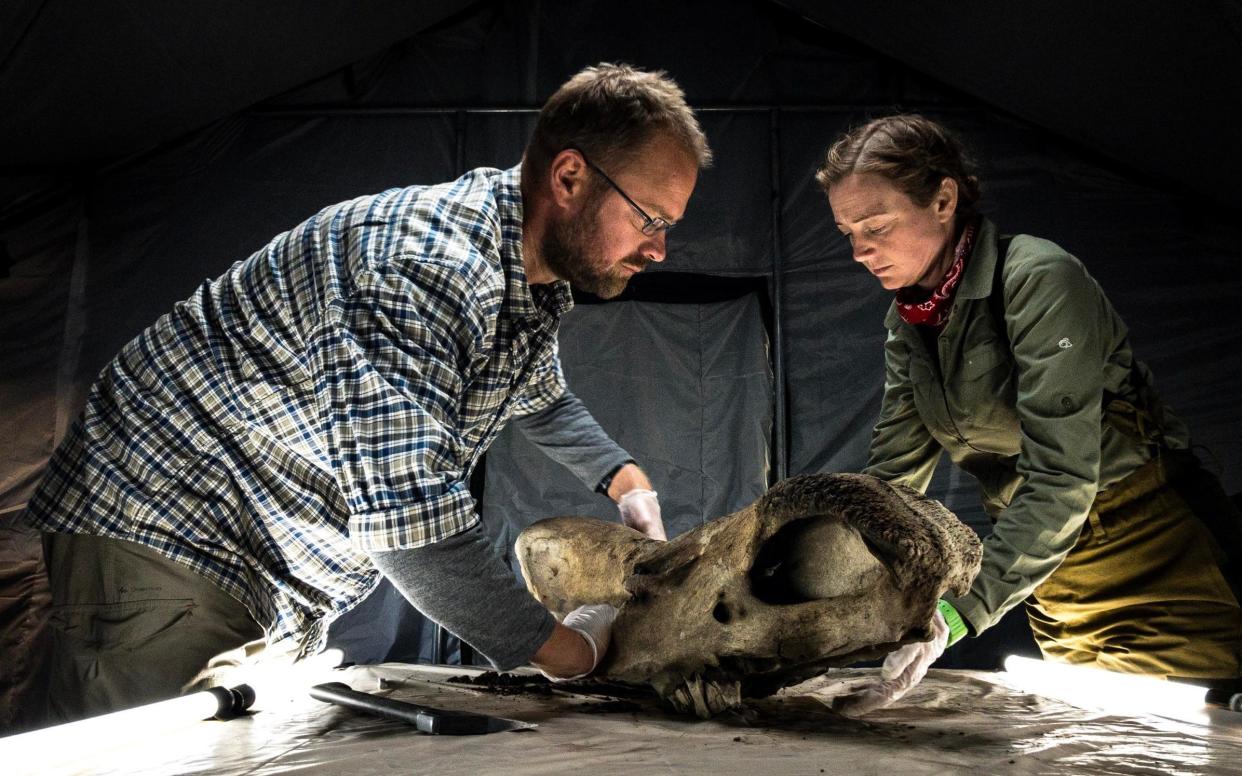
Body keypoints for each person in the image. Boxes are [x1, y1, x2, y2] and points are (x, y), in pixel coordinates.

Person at [23, 62, 712, 724]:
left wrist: (627, 485)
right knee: (142, 747)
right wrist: (574, 649)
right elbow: (413, 533)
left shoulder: (529, 284)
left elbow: (540, 395)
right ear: (569, 177)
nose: (658, 250)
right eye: (650, 218)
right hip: (167, 520)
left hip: (263, 553)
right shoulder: (424, 270)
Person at [814, 114, 1242, 714]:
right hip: (1051, 587)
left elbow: (1063, 478)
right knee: (1093, 740)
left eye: (876, 226)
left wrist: (956, 615)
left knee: (1194, 738)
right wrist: (823, 583)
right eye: (847, 232)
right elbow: (891, 486)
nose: (860, 252)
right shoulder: (910, 320)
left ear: (943, 199)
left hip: (1149, 556)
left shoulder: (1037, 280)